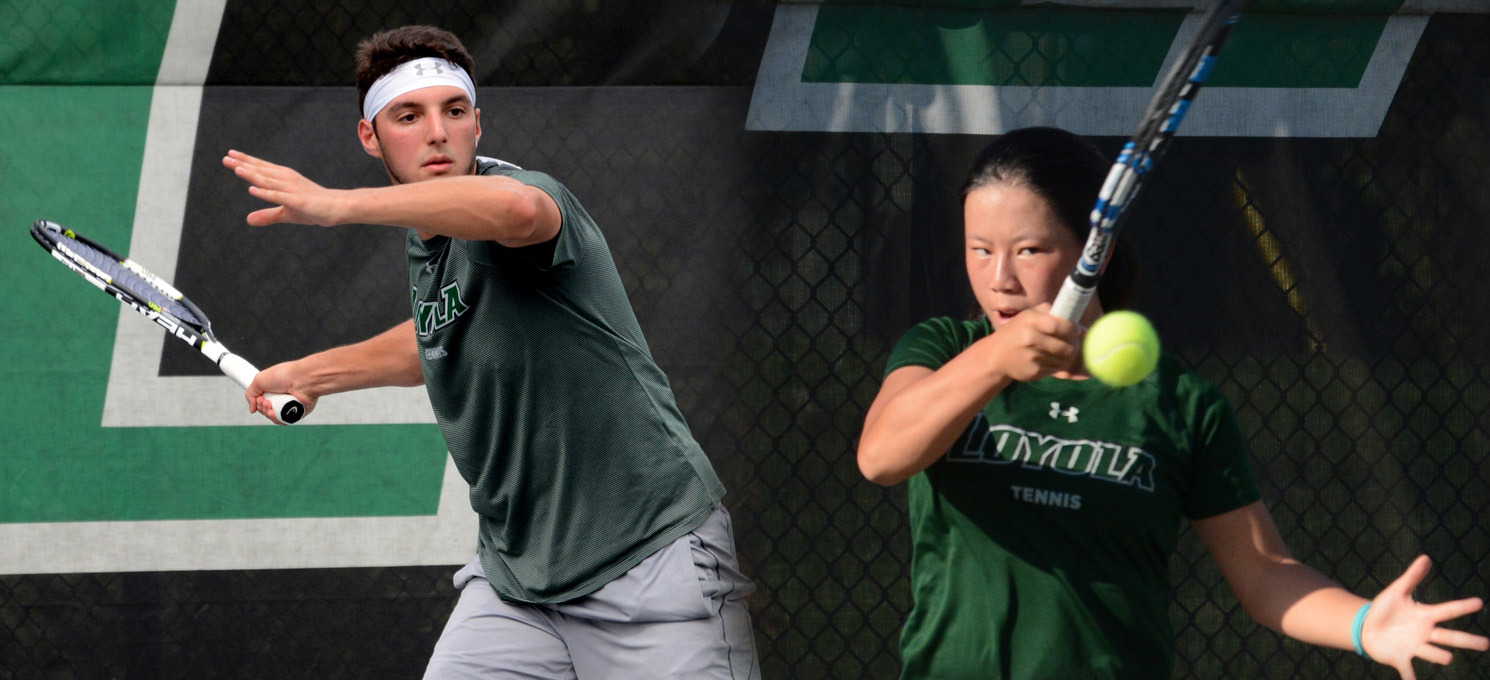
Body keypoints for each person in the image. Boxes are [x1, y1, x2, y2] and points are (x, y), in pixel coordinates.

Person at [223, 25, 758, 680]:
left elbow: (519, 212)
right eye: (408, 116)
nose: (437, 133)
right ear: (370, 136)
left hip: (650, 559)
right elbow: (440, 331)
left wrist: (338, 205)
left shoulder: (521, 195)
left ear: (478, 124)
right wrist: (315, 374)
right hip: (517, 584)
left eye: (454, 111)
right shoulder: (430, 240)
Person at [856, 127, 1487, 680]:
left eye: (1027, 250)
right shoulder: (942, 349)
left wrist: (1364, 625)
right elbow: (882, 457)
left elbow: (1264, 572)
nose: (999, 279)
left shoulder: (1182, 405)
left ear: (1094, 251)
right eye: (980, 249)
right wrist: (996, 361)